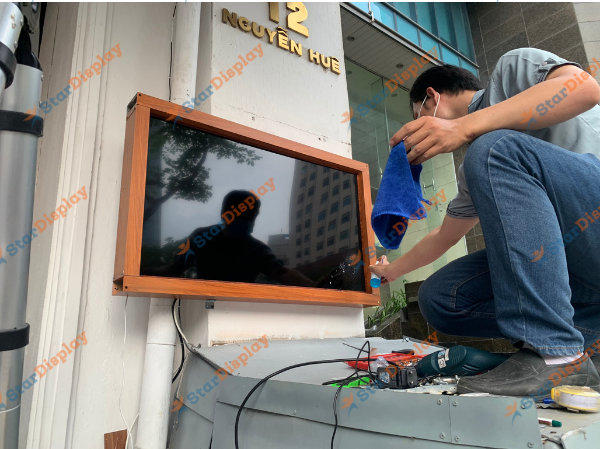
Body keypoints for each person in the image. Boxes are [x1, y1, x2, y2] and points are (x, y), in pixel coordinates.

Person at [370, 48, 600, 397]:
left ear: (432, 97)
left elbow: (583, 88)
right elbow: (445, 235)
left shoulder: (511, 71)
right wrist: (392, 271)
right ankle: (582, 347)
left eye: (419, 117)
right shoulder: (481, 165)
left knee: (493, 149)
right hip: (575, 266)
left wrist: (463, 127)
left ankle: (557, 355)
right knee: (440, 298)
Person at [146, 190, 334, 287]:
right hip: (199, 304)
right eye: (241, 214)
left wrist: (313, 285)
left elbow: (281, 272)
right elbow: (174, 269)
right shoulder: (201, 237)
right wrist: (140, 272)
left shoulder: (257, 250)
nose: (247, 220)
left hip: (240, 309)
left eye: (251, 216)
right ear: (224, 214)